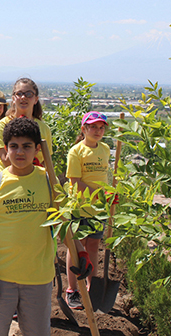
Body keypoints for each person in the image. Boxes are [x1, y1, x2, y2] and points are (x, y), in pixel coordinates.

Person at [0, 117, 92, 336]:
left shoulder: (49, 182)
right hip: (0, 278)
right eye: (14, 146)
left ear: (37, 149)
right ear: (5, 149)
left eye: (27, 146)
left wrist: (80, 250)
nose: (20, 152)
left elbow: (62, 223)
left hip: (38, 278)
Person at [65, 111, 110, 310]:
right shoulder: (76, 152)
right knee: (76, 247)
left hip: (99, 209)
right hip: (80, 207)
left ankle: (91, 289)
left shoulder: (105, 149)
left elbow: (104, 178)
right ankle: (72, 290)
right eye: (93, 127)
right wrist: (99, 195)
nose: (97, 131)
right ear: (84, 129)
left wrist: (110, 194)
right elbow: (75, 182)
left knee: (94, 246)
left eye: (101, 127)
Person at [0, 78, 52, 174]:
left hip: (34, 180)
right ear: (13, 98)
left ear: (36, 99)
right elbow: (6, 160)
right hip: (6, 180)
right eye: (19, 94)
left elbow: (47, 161)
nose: (23, 97)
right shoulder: (2, 125)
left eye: (29, 94)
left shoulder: (44, 129)